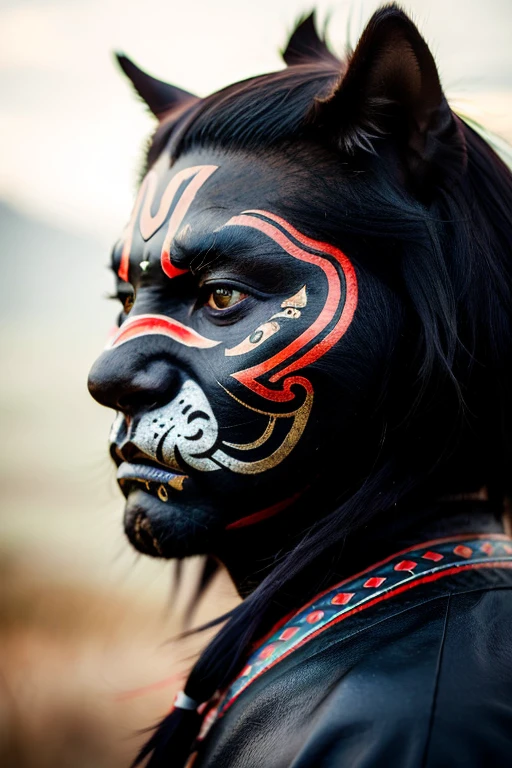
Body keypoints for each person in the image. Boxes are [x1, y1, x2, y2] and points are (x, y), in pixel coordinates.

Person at [88, 5, 512, 766]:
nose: (113, 371)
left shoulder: (414, 730)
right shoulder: (372, 661)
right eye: (127, 303)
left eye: (220, 297)